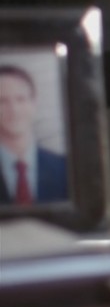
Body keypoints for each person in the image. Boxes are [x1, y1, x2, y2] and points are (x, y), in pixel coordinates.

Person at [0, 64, 68, 205]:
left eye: (20, 99)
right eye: (2, 101)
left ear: (34, 103)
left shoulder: (64, 168)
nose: (14, 110)